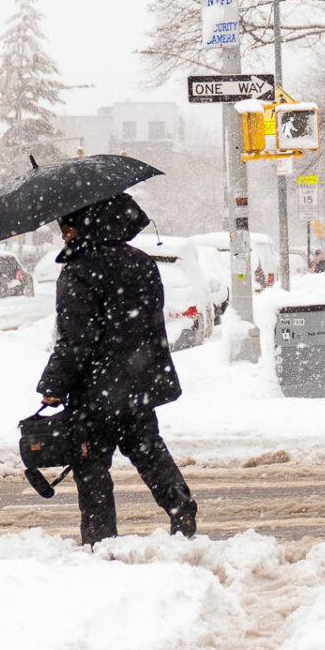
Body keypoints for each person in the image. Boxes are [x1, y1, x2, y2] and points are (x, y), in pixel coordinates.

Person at [35, 193, 196, 545]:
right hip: (139, 384)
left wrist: (54, 384)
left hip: (96, 393)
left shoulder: (78, 272)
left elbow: (76, 339)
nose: (64, 234)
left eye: (67, 225)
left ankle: (100, 541)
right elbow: (147, 323)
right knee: (149, 451)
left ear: (82, 225)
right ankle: (180, 506)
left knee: (91, 468)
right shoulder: (142, 263)